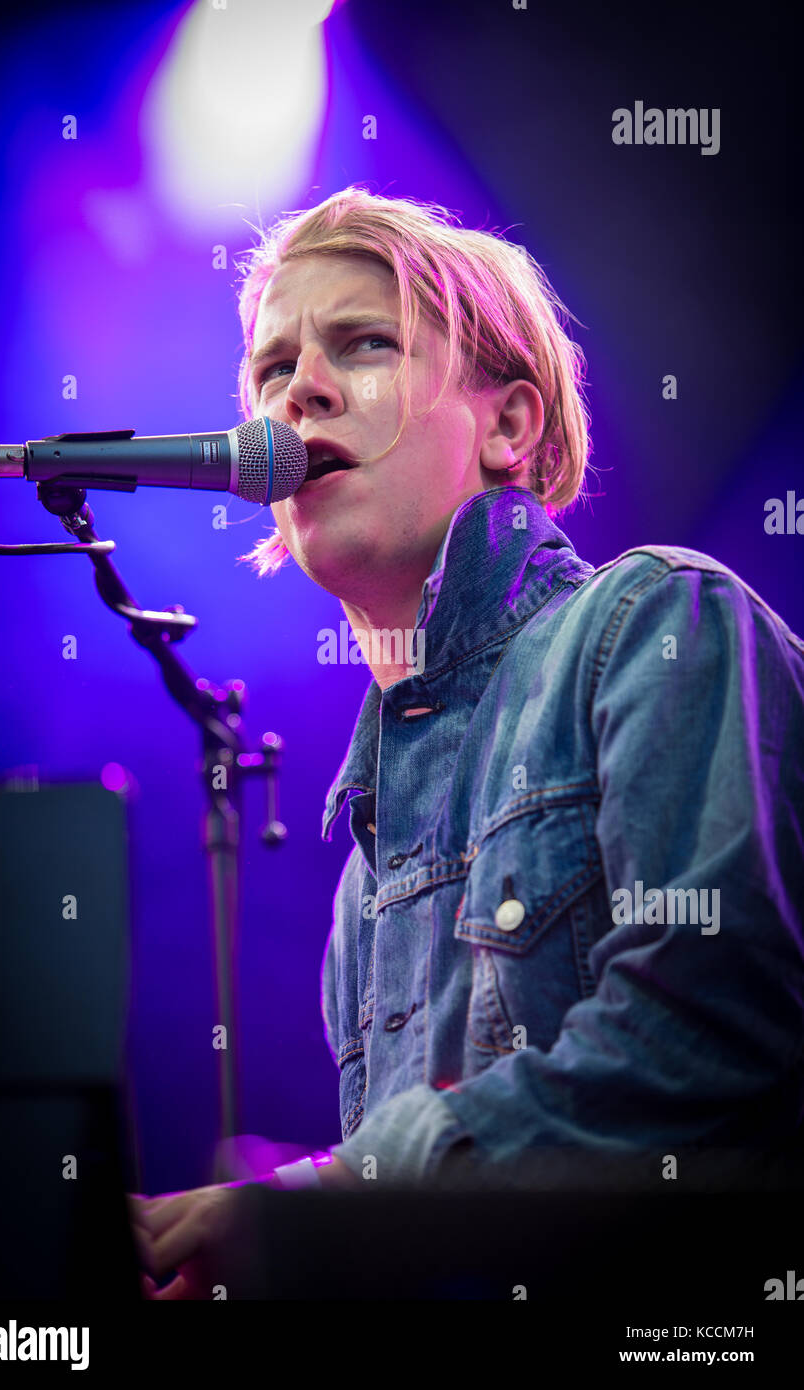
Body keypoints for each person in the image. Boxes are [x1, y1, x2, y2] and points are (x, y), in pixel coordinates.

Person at [129, 186, 804, 1299]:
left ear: (508, 424)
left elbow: (702, 1048)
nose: (297, 391)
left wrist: (319, 1201)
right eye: (271, 370)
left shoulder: (656, 625)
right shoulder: (364, 865)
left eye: (366, 344)